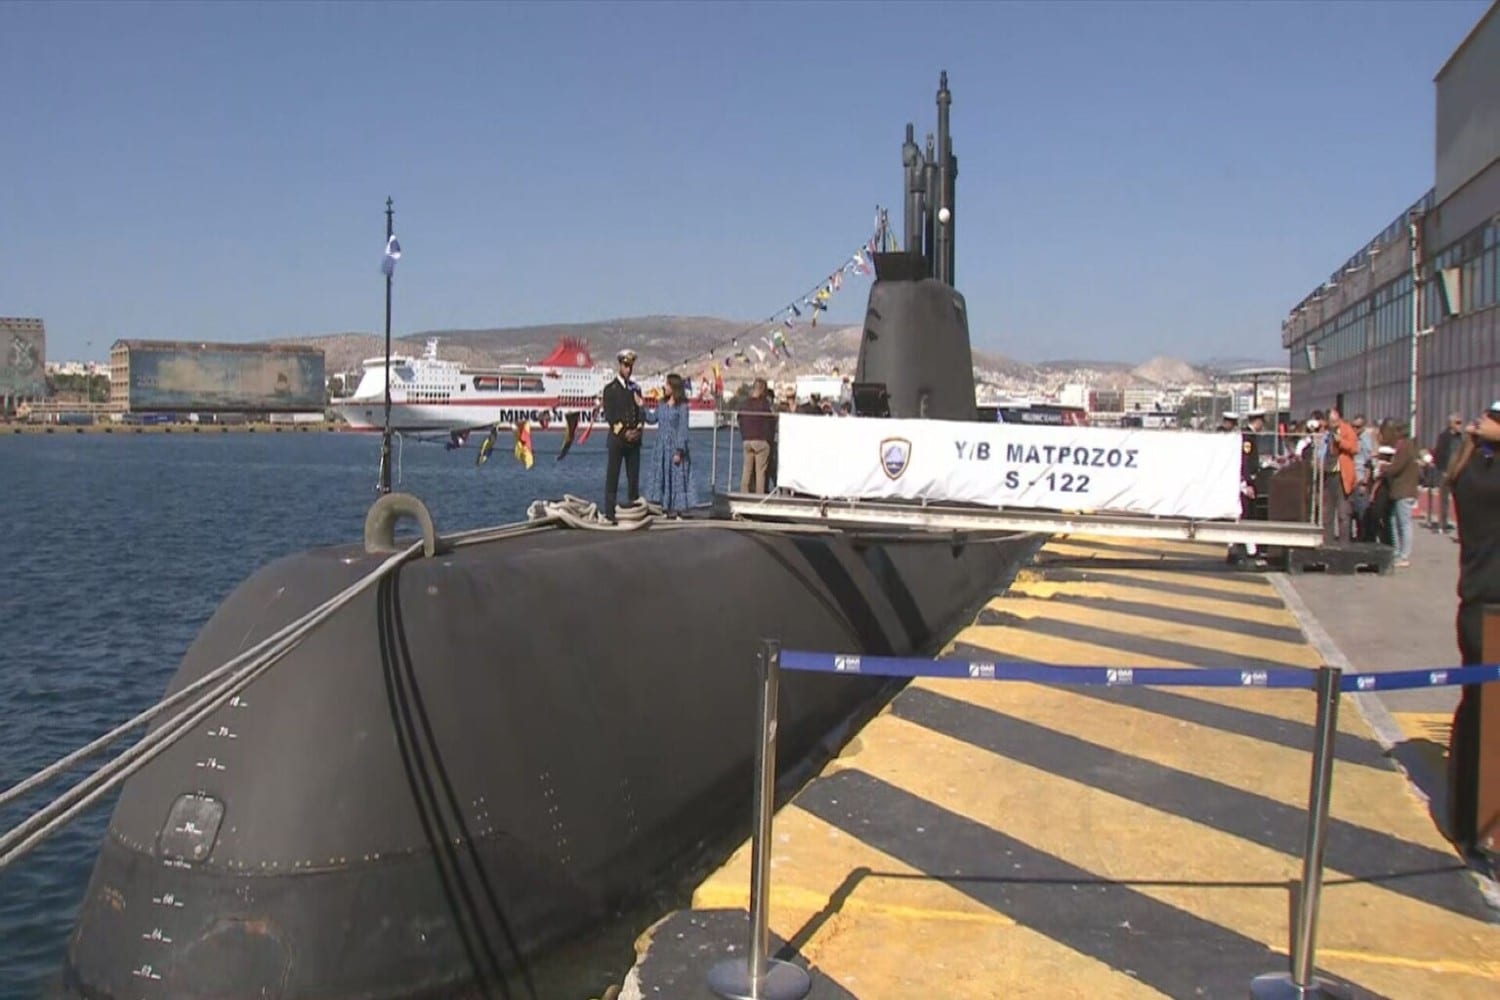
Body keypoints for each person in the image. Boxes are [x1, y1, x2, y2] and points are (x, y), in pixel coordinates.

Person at [1444, 402, 1500, 854]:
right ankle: (1482, 826)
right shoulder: (1486, 477)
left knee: (1475, 709)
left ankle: (1465, 819)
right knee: (1489, 719)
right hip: (1493, 608)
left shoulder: (1470, 469)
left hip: (1476, 605)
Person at [602, 348, 645, 522]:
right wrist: (624, 433)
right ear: (620, 365)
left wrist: (638, 430)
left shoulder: (636, 389)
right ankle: (610, 512)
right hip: (618, 441)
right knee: (612, 477)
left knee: (633, 478)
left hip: (634, 441)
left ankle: (633, 510)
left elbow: (640, 413)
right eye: (626, 366)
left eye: (631, 366)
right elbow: (610, 417)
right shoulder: (610, 389)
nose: (629, 369)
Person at [647, 373, 693, 517]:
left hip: (674, 448)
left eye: (667, 384)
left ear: (673, 387)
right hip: (661, 448)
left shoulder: (682, 407)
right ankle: (664, 507)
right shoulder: (661, 404)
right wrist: (641, 407)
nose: (664, 387)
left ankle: (678, 509)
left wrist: (679, 450)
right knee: (663, 477)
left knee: (676, 478)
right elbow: (652, 419)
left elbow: (683, 429)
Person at [737, 377, 774, 493]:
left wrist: (744, 434)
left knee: (746, 471)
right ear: (763, 390)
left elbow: (739, 419)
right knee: (760, 472)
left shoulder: (744, 404)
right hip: (761, 441)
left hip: (747, 441)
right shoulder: (764, 405)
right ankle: (759, 497)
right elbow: (770, 421)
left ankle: (743, 494)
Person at [1433, 412, 1464, 534]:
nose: (1460, 425)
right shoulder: (1444, 437)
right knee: (1444, 499)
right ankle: (1442, 523)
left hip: (1458, 471)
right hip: (1445, 471)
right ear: (1451, 424)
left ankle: (1459, 524)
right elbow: (1439, 454)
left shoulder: (1460, 437)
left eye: (1461, 423)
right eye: (1458, 423)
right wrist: (1442, 470)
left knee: (1459, 498)